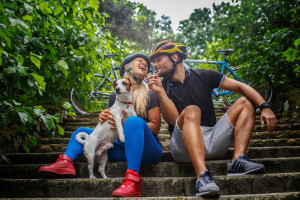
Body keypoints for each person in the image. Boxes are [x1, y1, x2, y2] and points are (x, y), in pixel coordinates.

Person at [146, 40, 277, 197]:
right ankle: (202, 175)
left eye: (159, 59)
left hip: (213, 138)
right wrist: (159, 93)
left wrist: (265, 106)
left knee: (246, 101)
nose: (155, 64)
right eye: (154, 61)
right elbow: (174, 119)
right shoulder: (160, 87)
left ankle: (238, 160)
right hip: (182, 146)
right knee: (192, 110)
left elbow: (241, 87)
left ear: (175, 57)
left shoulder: (204, 75)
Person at [38, 53, 162, 197]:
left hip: (149, 151)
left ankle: (133, 179)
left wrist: (126, 122)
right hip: (125, 150)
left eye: (146, 64)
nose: (144, 64)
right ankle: (66, 162)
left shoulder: (150, 94)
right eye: (140, 61)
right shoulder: (114, 96)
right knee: (83, 131)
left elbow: (155, 127)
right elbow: (110, 128)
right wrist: (103, 118)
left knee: (133, 121)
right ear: (127, 66)